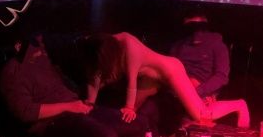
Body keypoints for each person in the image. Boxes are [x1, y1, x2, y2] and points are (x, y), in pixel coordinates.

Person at [0, 35, 144, 137]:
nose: (39, 43)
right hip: (53, 122)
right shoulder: (12, 72)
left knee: (138, 124)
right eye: (35, 41)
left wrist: (81, 102)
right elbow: (25, 112)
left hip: (78, 108)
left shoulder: (42, 57)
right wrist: (69, 106)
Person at [82, 32, 249, 127]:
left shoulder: (128, 44)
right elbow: (94, 76)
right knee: (130, 118)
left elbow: (132, 81)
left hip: (171, 70)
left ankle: (239, 105)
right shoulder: (99, 47)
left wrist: (129, 107)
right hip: (150, 78)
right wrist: (89, 103)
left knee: (201, 115)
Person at [170, 11, 230, 103]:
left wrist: (199, 91)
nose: (195, 33)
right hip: (176, 88)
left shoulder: (217, 45)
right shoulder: (178, 46)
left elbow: (221, 76)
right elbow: (171, 69)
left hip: (199, 92)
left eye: (198, 27)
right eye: (190, 28)